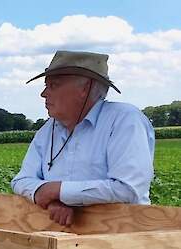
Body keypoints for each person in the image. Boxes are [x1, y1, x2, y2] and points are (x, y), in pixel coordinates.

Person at [11, 51, 155, 226]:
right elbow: (21, 180)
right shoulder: (48, 129)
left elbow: (128, 189)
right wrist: (51, 199)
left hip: (121, 237)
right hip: (63, 239)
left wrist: (59, 192)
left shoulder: (125, 120)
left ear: (85, 88)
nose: (43, 93)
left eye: (53, 85)